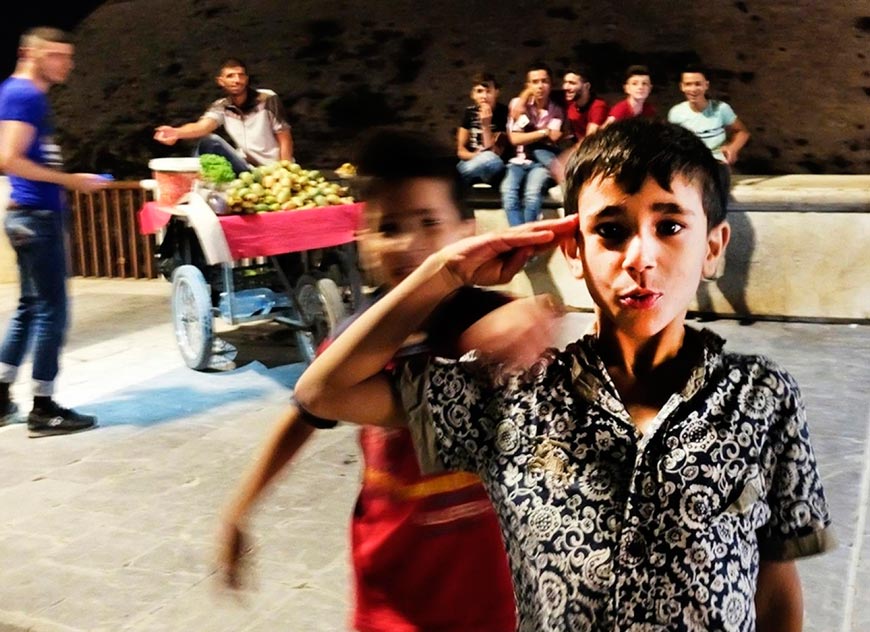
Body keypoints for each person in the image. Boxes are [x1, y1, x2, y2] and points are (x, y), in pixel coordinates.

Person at [294, 118, 834, 631]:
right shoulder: (514, 394)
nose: (639, 257)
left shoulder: (762, 397)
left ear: (713, 246)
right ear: (573, 249)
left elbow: (776, 581)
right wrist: (445, 272)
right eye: (612, 230)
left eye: (669, 226)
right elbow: (324, 391)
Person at [217, 129, 561, 631]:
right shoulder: (359, 343)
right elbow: (307, 410)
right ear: (363, 238)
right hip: (390, 590)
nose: (408, 244)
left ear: (467, 232)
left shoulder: (495, 322)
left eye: (428, 223)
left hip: (488, 591)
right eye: (390, 226)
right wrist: (238, 511)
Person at [0, 27, 110, 435]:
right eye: (57, 56)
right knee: (52, 312)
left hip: (25, 216)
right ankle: (44, 408)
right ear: (30, 53)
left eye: (68, 56)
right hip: (36, 218)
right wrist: (71, 181)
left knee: (31, 308)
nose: (67, 63)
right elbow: (8, 159)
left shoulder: (17, 92)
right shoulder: (25, 94)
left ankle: (0, 397)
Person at [153, 57, 293, 175]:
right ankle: (193, 185)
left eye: (241, 75)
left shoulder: (267, 98)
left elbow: (284, 137)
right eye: (230, 76)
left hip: (272, 169)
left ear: (247, 79)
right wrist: (176, 133)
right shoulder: (221, 106)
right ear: (221, 81)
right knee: (209, 142)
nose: (237, 80)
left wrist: (284, 173)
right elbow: (202, 127)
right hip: (247, 170)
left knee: (212, 142)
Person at [667, 63, 750, 211]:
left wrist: (733, 148)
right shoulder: (676, 113)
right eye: (688, 84)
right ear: (682, 87)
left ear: (706, 85)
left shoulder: (720, 109)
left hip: (716, 162)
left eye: (698, 84)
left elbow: (742, 132)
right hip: (690, 162)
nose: (693, 89)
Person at [501, 62, 564, 226]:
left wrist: (535, 135)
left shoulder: (556, 111)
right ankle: (520, 239)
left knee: (532, 194)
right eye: (535, 82)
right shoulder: (518, 105)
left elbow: (554, 138)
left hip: (540, 164)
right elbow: (515, 139)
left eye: (544, 81)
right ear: (528, 85)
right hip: (518, 161)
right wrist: (544, 132)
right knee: (508, 193)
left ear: (551, 84)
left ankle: (526, 241)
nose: (540, 86)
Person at [549, 66, 609, 200]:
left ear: (586, 86)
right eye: (565, 82)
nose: (566, 87)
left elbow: (590, 138)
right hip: (579, 147)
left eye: (572, 83)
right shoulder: (570, 101)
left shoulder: (598, 106)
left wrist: (566, 158)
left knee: (559, 165)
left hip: (597, 150)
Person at [455, 71, 509, 186]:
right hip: (471, 162)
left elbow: (494, 154)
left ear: (496, 92)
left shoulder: (504, 113)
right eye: (479, 91)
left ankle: (454, 181)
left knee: (490, 159)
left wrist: (486, 124)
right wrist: (475, 156)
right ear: (473, 95)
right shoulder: (469, 113)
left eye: (488, 91)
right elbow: (461, 151)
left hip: (494, 165)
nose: (484, 96)